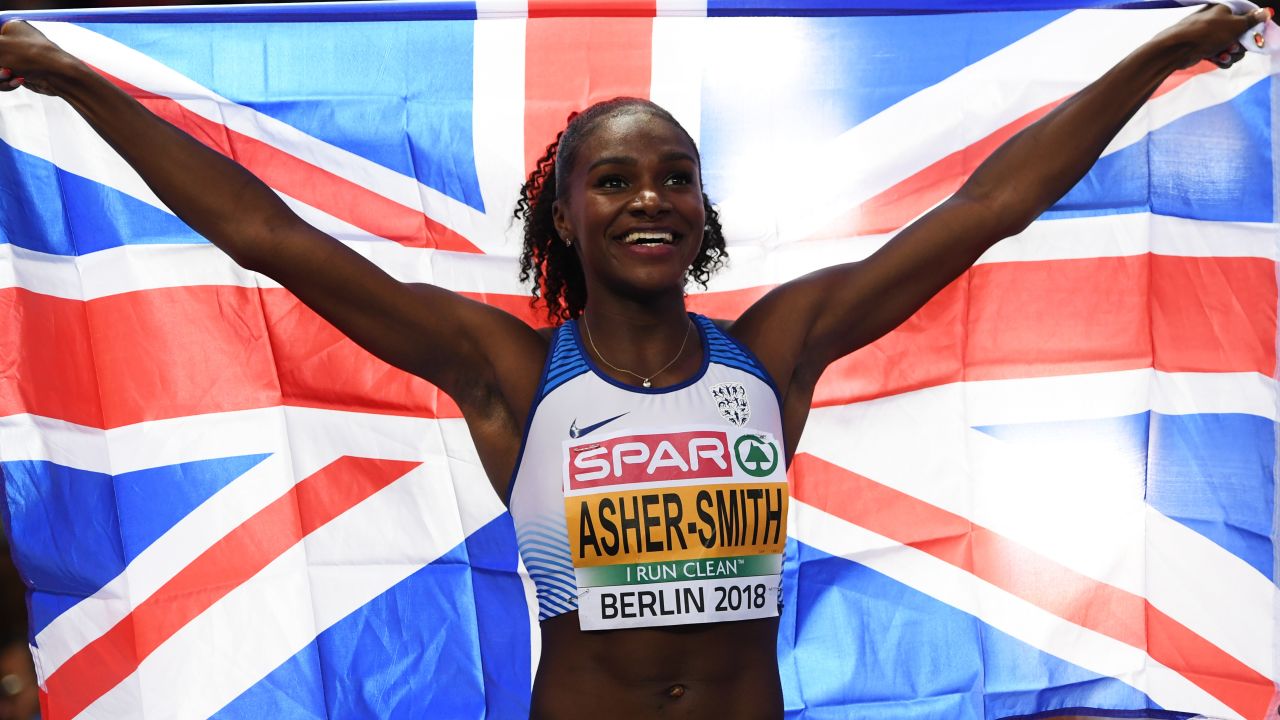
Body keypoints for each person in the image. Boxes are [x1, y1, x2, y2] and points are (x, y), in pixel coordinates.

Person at [0, 5, 1270, 719]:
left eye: (673, 176)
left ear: (700, 208)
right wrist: (68, 79)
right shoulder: (503, 368)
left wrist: (1151, 57)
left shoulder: (773, 352)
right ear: (566, 215)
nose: (648, 198)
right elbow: (263, 234)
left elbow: (984, 211)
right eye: (613, 180)